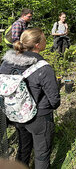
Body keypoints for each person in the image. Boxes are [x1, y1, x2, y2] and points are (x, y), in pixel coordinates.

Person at [0, 28, 60, 169]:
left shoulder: (6, 63)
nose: (46, 41)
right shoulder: (43, 68)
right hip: (39, 118)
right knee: (41, 155)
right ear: (38, 45)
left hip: (15, 115)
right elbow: (54, 100)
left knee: (23, 148)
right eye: (44, 39)